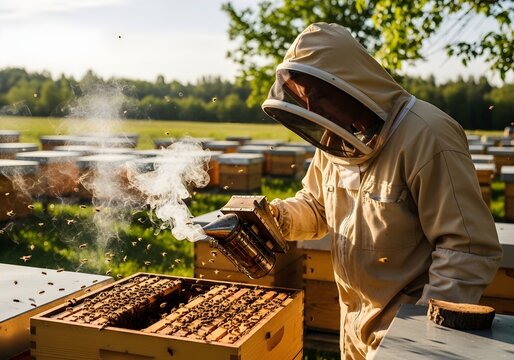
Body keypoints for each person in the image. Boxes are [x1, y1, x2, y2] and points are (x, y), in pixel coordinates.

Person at [262, 22, 503, 359]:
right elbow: (317, 207)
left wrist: (422, 340)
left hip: (410, 336)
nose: (311, 108)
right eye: (304, 97)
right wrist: (276, 217)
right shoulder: (334, 139)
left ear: (346, 82)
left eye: (316, 95)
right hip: (354, 329)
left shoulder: (428, 135)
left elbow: (467, 250)